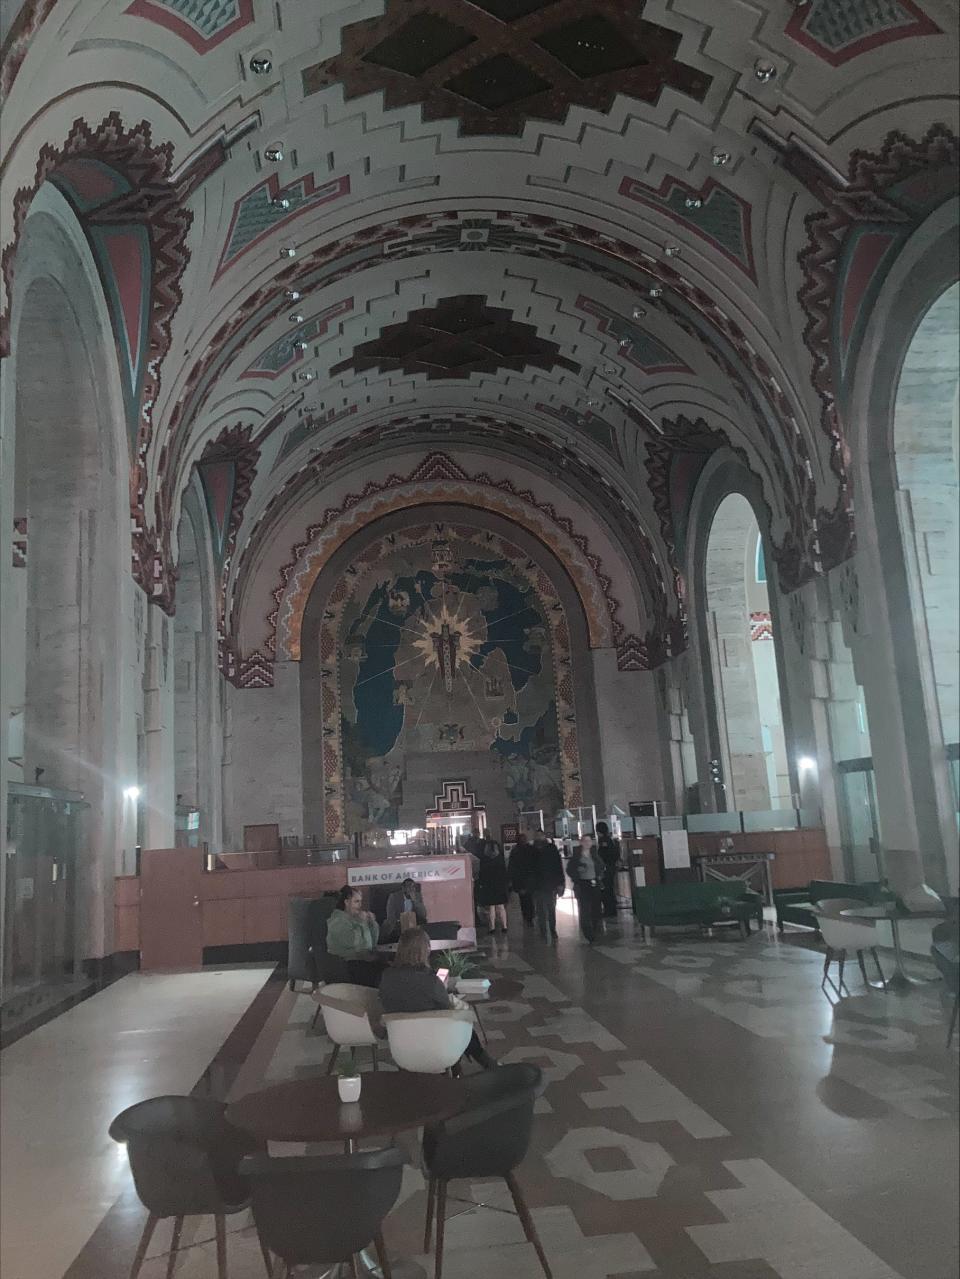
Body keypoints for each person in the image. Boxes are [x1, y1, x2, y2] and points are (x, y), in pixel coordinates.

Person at [379, 927, 498, 1069]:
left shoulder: (387, 976)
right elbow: (445, 1006)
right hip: (435, 1042)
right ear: (426, 950)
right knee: (462, 1022)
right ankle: (483, 1063)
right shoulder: (431, 981)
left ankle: (484, 1062)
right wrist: (443, 988)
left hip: (401, 1045)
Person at [325, 885, 385, 986]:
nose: (360, 905)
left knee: (390, 970)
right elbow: (353, 942)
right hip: (347, 967)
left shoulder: (355, 919)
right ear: (346, 902)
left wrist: (372, 923)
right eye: (356, 901)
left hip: (362, 960)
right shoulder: (337, 921)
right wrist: (361, 923)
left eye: (360, 901)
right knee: (384, 976)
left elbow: (373, 942)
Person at [566, 834, 603, 944]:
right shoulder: (577, 857)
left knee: (596, 909)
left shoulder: (594, 855)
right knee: (585, 909)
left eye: (589, 841)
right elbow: (570, 870)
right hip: (582, 885)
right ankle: (588, 933)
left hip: (594, 883)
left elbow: (601, 866)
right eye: (585, 841)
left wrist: (599, 875)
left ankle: (595, 929)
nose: (587, 843)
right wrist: (578, 872)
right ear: (581, 843)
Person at [531, 830, 565, 942]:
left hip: (550, 884)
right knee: (540, 910)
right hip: (538, 885)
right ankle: (543, 931)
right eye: (537, 836)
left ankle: (552, 929)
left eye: (540, 835)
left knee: (551, 909)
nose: (539, 837)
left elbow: (558, 866)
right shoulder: (531, 850)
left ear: (544, 836)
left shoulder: (551, 848)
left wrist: (560, 883)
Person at [477, 836, 510, 932]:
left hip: (489, 885)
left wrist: (481, 884)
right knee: (501, 906)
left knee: (491, 907)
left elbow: (481, 873)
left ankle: (492, 927)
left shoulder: (484, 859)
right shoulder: (500, 858)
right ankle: (504, 926)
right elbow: (504, 872)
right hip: (500, 885)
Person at [595, 821, 623, 918]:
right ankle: (610, 910)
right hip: (610, 868)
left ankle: (609, 911)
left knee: (606, 889)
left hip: (606, 868)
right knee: (609, 889)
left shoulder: (604, 841)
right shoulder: (608, 840)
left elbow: (604, 855)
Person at [509, 831, 537, 926]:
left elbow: (512, 868)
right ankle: (530, 916)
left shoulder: (515, 851)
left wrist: (513, 881)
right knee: (529, 899)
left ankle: (527, 916)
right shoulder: (531, 849)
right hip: (529, 879)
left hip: (521, 880)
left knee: (524, 900)